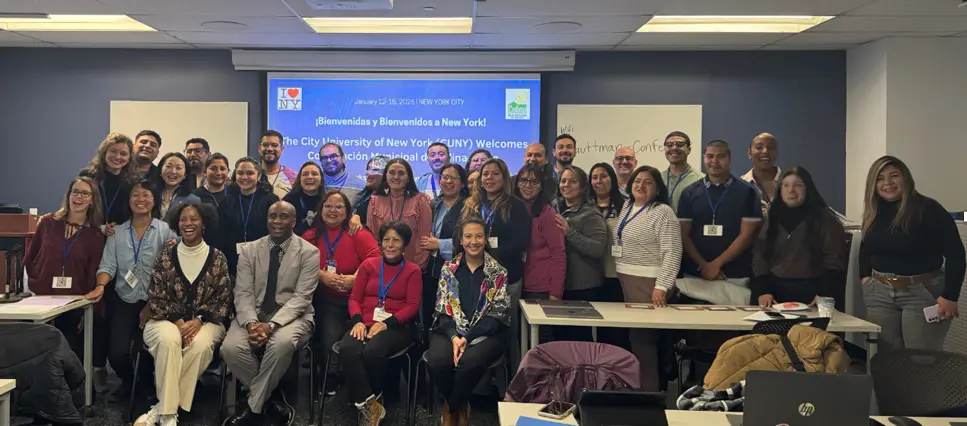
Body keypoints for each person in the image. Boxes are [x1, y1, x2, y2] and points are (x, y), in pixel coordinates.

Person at [222, 201, 320, 426]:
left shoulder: (309, 252)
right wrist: (251, 325)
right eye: (272, 216)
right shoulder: (250, 250)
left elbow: (301, 298)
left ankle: (253, 408)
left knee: (281, 344)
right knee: (230, 348)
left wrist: (272, 325)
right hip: (253, 316)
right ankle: (273, 399)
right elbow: (243, 292)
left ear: (294, 221)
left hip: (293, 317)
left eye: (283, 216)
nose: (277, 221)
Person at [136, 203, 231, 426]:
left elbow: (223, 299)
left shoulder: (218, 258)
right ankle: (169, 416)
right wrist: (178, 321)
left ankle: (162, 408)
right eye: (183, 219)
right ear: (177, 224)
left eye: (194, 219)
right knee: (169, 340)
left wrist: (198, 321)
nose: (188, 224)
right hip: (164, 319)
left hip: (208, 321)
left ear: (204, 223)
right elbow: (156, 295)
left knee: (200, 344)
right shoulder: (166, 256)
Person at [859, 156, 965, 351]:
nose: (887, 183)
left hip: (921, 293)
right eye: (880, 178)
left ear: (905, 178)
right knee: (886, 359)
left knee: (921, 360)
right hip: (879, 293)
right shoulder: (873, 212)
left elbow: (956, 254)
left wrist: (950, 296)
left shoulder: (928, 209)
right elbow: (866, 248)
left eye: (894, 176)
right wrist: (865, 278)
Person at [97, 180, 178, 399]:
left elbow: (175, 267)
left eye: (146, 195)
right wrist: (100, 285)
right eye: (135, 195)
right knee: (117, 353)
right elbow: (108, 265)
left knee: (147, 349)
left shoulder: (165, 230)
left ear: (154, 201)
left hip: (157, 299)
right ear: (129, 200)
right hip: (125, 298)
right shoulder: (117, 232)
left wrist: (176, 246)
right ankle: (131, 383)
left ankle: (144, 386)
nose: (141, 200)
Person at [426, 217, 510, 426]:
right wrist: (455, 337)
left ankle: (450, 408)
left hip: (486, 333)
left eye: (479, 236)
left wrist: (468, 338)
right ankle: (460, 404)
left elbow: (497, 316)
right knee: (437, 361)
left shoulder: (498, 272)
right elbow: (442, 310)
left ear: (485, 239)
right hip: (450, 331)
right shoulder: (449, 269)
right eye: (468, 236)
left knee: (468, 363)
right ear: (461, 241)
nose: (474, 241)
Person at [339, 221, 421, 425]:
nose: (390, 245)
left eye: (396, 240)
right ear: (380, 243)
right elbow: (354, 298)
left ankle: (369, 398)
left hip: (395, 326)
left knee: (372, 351)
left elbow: (412, 306)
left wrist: (388, 323)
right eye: (386, 240)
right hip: (363, 322)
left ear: (405, 246)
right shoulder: (368, 265)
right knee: (348, 347)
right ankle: (371, 404)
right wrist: (357, 321)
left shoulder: (413, 270)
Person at [301, 190, 380, 395]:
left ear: (348, 211)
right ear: (321, 209)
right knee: (328, 337)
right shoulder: (310, 236)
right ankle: (331, 375)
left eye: (339, 206)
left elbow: (375, 259)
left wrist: (356, 278)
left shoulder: (358, 232)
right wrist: (321, 276)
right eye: (328, 206)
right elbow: (298, 264)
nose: (333, 210)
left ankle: (361, 379)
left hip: (359, 299)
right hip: (327, 299)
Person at [612, 166, 682, 391]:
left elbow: (672, 251)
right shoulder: (628, 206)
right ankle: (637, 392)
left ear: (658, 188)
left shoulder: (662, 212)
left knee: (644, 343)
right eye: (637, 181)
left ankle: (650, 398)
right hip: (626, 281)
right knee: (633, 341)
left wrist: (662, 286)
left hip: (649, 284)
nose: (640, 185)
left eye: (648, 182)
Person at [24, 177, 106, 363]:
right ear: (68, 195)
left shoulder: (95, 234)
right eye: (75, 191)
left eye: (85, 193)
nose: (79, 197)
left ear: (92, 200)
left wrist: (87, 310)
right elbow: (32, 256)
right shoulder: (47, 223)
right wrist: (36, 284)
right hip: (42, 300)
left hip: (73, 304)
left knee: (67, 356)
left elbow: (93, 271)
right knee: (38, 354)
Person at [676, 140, 761, 305]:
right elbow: (683, 234)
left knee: (731, 329)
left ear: (729, 158)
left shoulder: (747, 192)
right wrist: (704, 265)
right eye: (710, 156)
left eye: (720, 156)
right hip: (696, 274)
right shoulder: (689, 192)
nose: (714, 161)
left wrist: (716, 265)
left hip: (734, 274)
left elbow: (747, 235)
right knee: (696, 328)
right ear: (703, 158)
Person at [463, 158, 530, 365]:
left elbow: (520, 241)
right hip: (475, 277)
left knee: (507, 330)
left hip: (506, 278)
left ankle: (510, 379)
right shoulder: (471, 205)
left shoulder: (515, 206)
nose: (489, 178)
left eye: (495, 174)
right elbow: (462, 236)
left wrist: (487, 251)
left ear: (504, 177)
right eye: (485, 174)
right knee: (477, 328)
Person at [752, 166, 846, 307]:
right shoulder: (770, 218)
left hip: (814, 293)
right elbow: (759, 258)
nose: (791, 190)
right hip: (773, 293)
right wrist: (763, 290)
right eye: (786, 185)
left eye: (798, 185)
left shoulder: (825, 218)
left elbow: (834, 259)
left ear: (808, 188)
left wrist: (823, 293)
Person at [555, 166, 608, 341]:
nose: (566, 185)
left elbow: (598, 249)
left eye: (572, 181)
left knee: (580, 339)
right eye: (563, 181)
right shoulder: (555, 208)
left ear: (583, 187)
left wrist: (569, 232)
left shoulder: (591, 214)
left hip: (583, 286)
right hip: (563, 284)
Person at [420, 164, 469, 334]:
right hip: (431, 270)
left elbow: (471, 240)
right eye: (444, 177)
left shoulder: (468, 207)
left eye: (453, 178)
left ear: (462, 183)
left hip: (457, 272)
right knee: (428, 316)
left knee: (452, 318)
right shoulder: (433, 204)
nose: (448, 181)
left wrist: (440, 244)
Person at [588, 163, 629, 348]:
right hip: (592, 273)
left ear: (612, 179)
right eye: (595, 177)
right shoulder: (585, 206)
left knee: (616, 330)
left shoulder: (627, 206)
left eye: (603, 176)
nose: (599, 181)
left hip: (616, 274)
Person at [366, 158, 433, 271]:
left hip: (413, 268)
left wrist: (415, 267)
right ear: (385, 177)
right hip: (381, 268)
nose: (396, 177)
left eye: (401, 173)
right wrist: (380, 265)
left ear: (408, 178)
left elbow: (424, 240)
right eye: (392, 173)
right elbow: (373, 239)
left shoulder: (420, 201)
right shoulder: (374, 202)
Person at [217, 157, 281, 273]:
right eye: (240, 173)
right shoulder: (226, 202)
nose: (244, 177)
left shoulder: (271, 200)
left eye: (250, 173)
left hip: (263, 260)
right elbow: (221, 235)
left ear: (259, 176)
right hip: (233, 261)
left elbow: (277, 233)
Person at [79, 132, 140, 228]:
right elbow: (76, 205)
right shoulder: (88, 175)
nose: (117, 156)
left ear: (129, 158)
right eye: (113, 151)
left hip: (119, 235)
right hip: (89, 232)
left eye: (123, 154)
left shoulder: (133, 182)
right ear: (104, 152)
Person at [662, 131, 704, 212]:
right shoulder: (657, 178)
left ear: (689, 149)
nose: (674, 148)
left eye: (680, 144)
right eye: (669, 145)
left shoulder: (701, 180)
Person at [741, 133, 781, 216]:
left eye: (771, 148)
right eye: (759, 147)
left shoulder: (789, 181)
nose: (765, 151)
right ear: (749, 153)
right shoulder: (740, 185)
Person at [282, 161, 326, 236]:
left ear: (321, 180)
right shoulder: (288, 202)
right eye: (305, 174)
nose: (310, 177)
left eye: (314, 174)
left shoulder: (328, 201)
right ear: (299, 180)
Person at [154, 152, 199, 220]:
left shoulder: (193, 200)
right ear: (160, 170)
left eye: (178, 168)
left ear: (185, 175)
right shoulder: (150, 194)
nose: (173, 171)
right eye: (168, 166)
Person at [350, 155, 389, 230]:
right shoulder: (362, 196)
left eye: (375, 170)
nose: (369, 173)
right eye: (368, 169)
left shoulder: (389, 199)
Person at [259, 130, 298, 199]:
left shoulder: (293, 177)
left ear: (282, 149)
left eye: (274, 145)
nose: (269, 149)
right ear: (259, 148)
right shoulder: (251, 176)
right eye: (265, 145)